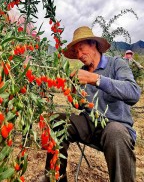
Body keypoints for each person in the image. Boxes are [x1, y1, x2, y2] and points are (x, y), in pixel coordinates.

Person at [41, 26, 141, 182]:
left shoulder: (117, 64)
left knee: (115, 131)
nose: (79, 55)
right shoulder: (82, 72)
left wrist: (95, 79)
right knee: (57, 121)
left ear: (93, 44)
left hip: (117, 128)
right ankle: (54, 177)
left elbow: (134, 93)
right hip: (91, 124)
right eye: (76, 52)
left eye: (81, 49)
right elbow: (82, 106)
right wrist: (74, 95)